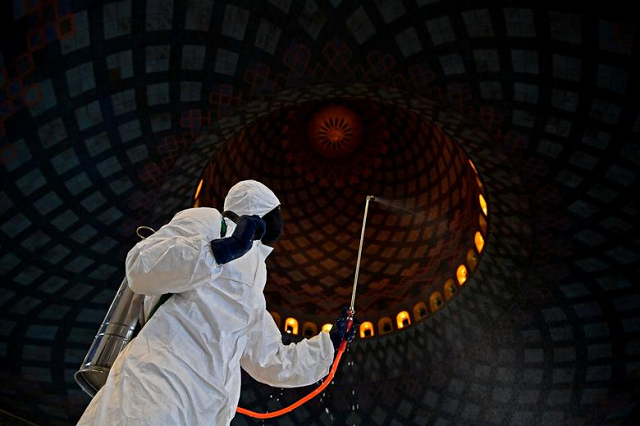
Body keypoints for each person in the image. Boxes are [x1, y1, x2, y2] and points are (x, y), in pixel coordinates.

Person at [77, 180, 358, 425]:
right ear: (257, 210)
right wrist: (216, 251)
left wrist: (329, 342)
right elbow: (142, 267)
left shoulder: (254, 282)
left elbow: (270, 359)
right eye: (275, 213)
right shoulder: (208, 221)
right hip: (160, 378)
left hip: (210, 406)